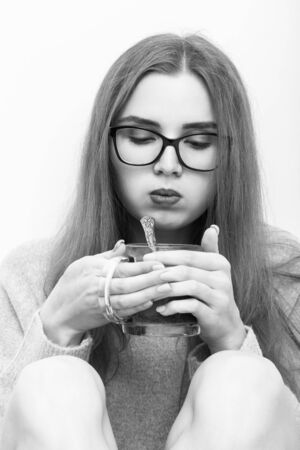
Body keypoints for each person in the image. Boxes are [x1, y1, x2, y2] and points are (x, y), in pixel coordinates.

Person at [0, 33, 299, 450]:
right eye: (141, 139)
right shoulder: (29, 276)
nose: (168, 164)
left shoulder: (281, 271)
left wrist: (233, 341)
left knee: (244, 378)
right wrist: (57, 329)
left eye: (197, 143)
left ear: (231, 155)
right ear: (105, 146)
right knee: (54, 381)